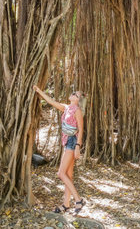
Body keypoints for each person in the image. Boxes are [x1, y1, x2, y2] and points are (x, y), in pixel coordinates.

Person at [33, 85, 85, 213]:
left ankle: (78, 200)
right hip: (67, 142)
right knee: (68, 174)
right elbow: (51, 102)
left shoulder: (77, 110)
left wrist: (78, 146)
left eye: (75, 94)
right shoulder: (67, 108)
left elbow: (81, 129)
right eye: (73, 92)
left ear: (78, 100)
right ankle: (66, 204)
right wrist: (39, 91)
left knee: (61, 173)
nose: (72, 94)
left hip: (72, 143)